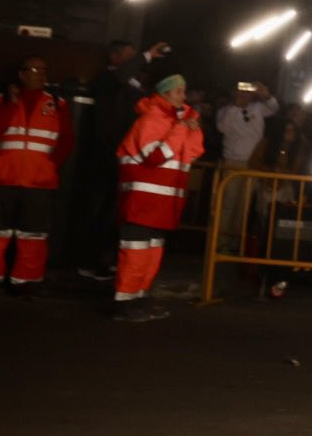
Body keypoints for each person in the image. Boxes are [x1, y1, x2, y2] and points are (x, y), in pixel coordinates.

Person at [0, 56, 74, 296]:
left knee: (33, 236)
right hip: (2, 179)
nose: (41, 74)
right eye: (35, 69)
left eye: (45, 70)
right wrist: (11, 104)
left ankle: (26, 283)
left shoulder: (57, 103)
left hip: (39, 181)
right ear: (21, 74)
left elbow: (66, 140)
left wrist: (50, 166)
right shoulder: (1, 99)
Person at [72, 38, 168, 279]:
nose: (134, 62)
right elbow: (119, 80)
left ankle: (108, 257)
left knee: (115, 211)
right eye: (129, 57)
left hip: (125, 157)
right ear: (114, 58)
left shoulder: (135, 87)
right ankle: (89, 260)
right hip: (104, 154)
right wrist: (146, 56)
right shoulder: (107, 80)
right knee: (98, 209)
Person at [112, 74, 204, 322]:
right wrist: (182, 129)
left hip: (161, 203)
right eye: (179, 92)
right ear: (164, 94)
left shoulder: (174, 121)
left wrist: (190, 128)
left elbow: (192, 153)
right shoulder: (150, 119)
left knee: (151, 253)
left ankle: (139, 299)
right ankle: (125, 303)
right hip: (142, 202)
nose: (184, 97)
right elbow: (154, 156)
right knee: (136, 252)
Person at [214, 82, 279, 247]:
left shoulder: (258, 108)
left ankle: (236, 242)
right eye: (240, 92)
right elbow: (222, 128)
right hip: (232, 162)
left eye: (247, 92)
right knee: (228, 202)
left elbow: (273, 108)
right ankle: (221, 241)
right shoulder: (225, 111)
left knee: (244, 205)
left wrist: (266, 95)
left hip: (252, 162)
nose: (244, 95)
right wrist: (236, 106)